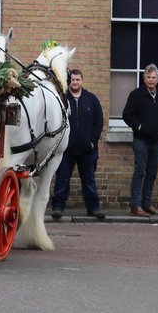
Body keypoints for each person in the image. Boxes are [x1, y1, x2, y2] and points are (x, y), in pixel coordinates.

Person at [51, 70, 106, 220]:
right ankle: (58, 207)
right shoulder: (62, 99)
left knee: (89, 180)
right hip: (66, 149)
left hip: (87, 150)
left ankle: (93, 208)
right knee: (62, 180)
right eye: (73, 80)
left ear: (82, 81)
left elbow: (99, 122)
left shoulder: (91, 99)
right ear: (69, 81)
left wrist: (92, 142)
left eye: (77, 80)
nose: (75, 82)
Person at [122, 64, 158, 217]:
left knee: (152, 172)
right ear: (144, 79)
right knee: (140, 171)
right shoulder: (136, 95)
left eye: (154, 77)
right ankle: (136, 206)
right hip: (141, 140)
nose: (151, 80)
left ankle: (147, 204)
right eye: (148, 77)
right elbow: (127, 115)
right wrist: (139, 127)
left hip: (157, 140)